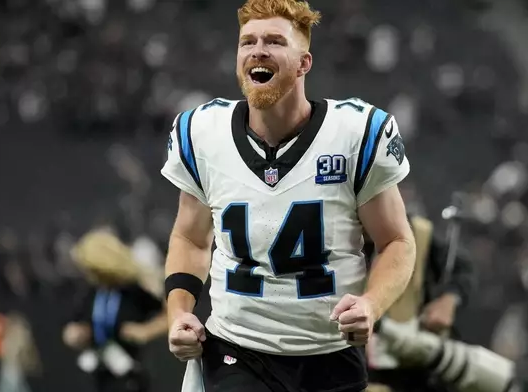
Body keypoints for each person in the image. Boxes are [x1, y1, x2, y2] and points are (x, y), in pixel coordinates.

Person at [161, 1, 416, 391]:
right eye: (248, 42)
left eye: (275, 41)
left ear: (304, 63)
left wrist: (371, 304)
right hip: (236, 349)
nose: (258, 50)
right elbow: (191, 239)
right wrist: (179, 312)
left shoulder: (354, 133)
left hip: (330, 352)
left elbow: (396, 240)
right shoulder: (201, 133)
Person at [366, 213, 476, 392]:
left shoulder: (418, 233)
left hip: (410, 367)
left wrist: (448, 301)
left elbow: (462, 269)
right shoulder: (323, 237)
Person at [63, 229, 168, 392]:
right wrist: (75, 334)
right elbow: (74, 324)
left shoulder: (132, 290)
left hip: (132, 372)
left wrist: (145, 331)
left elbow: (169, 315)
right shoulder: (92, 293)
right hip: (101, 373)